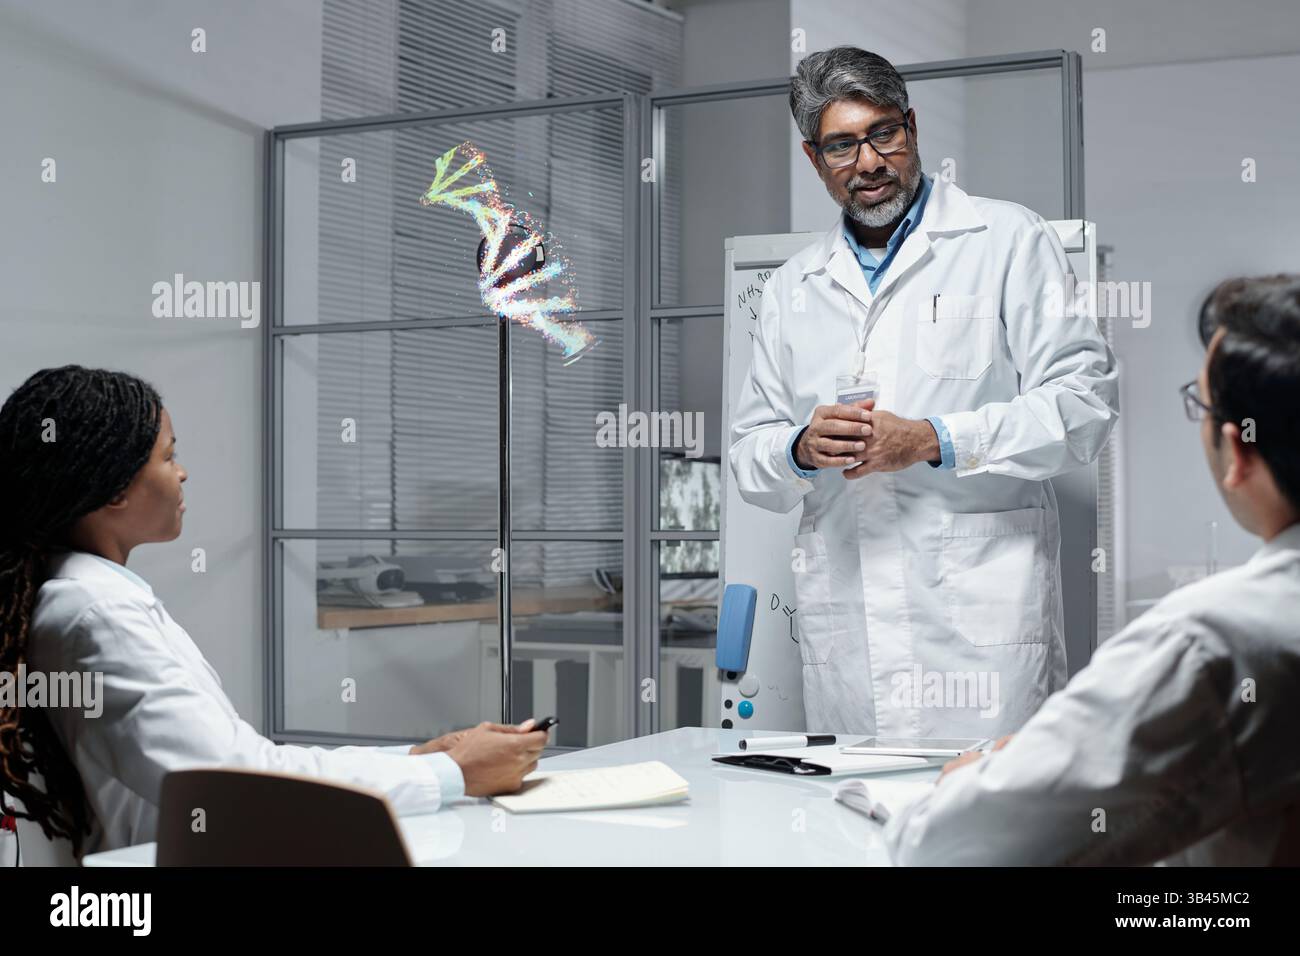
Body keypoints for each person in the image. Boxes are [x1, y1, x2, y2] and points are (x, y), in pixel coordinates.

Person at [729, 46, 1118, 737]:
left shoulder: (1006, 240)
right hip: (848, 636)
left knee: (992, 833)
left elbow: (1085, 405)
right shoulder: (793, 288)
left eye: (884, 133)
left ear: (911, 126)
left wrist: (937, 439)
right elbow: (748, 457)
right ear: (814, 159)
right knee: (854, 831)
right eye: (842, 146)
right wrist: (798, 448)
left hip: (980, 632)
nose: (869, 162)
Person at [0, 365, 547, 857]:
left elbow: (242, 759)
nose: (183, 473)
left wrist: (414, 757)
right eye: (168, 455)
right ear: (115, 490)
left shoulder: (84, 594)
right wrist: (450, 773)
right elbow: (232, 781)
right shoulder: (96, 612)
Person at [884, 275, 1300, 865]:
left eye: (1199, 402)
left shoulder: (1211, 644)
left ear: (1239, 449)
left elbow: (949, 846)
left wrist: (990, 775)